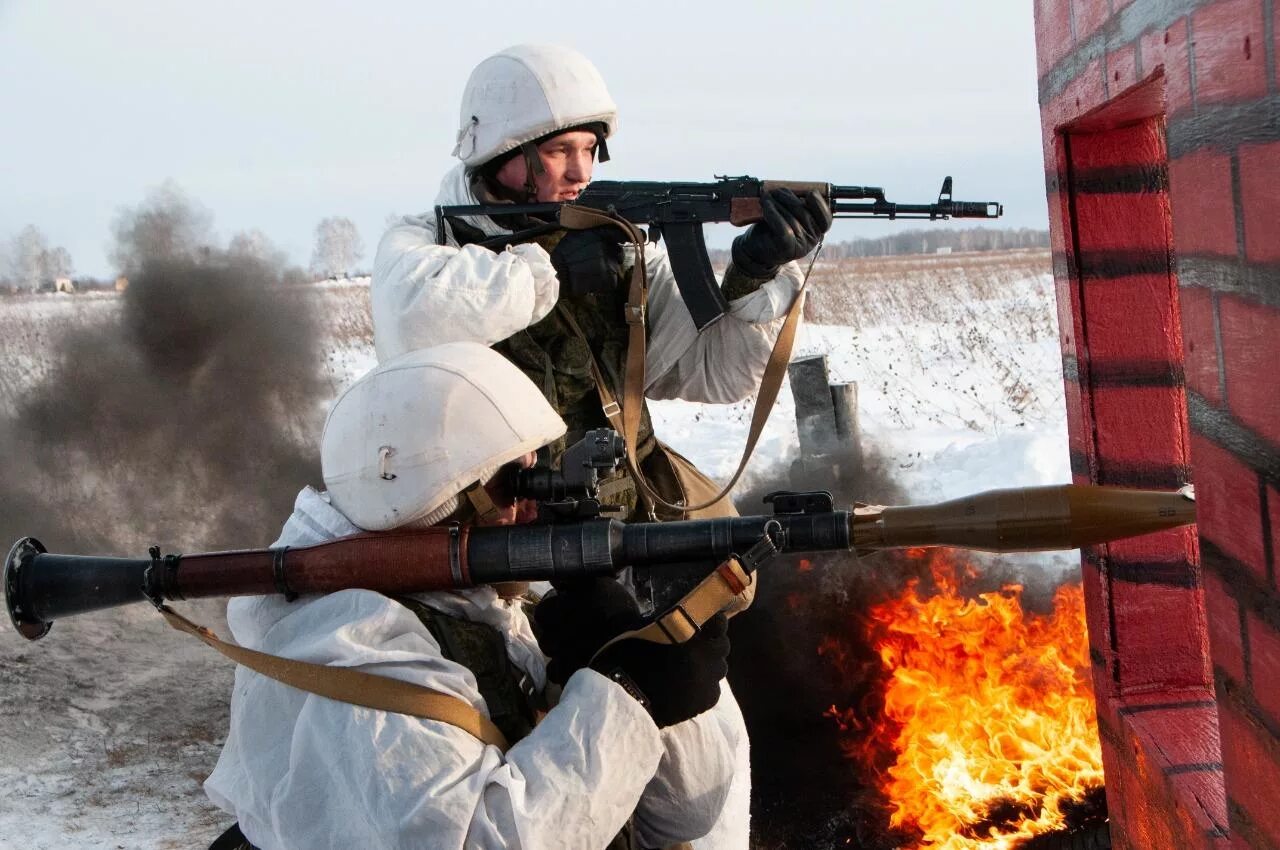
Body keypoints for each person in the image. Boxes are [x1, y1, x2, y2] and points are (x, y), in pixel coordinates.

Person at [204, 342, 746, 850]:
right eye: (513, 485)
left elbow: (676, 817)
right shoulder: (351, 652)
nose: (533, 508)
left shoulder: (476, 610)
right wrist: (628, 697)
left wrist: (643, 668)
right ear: (439, 504)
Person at [371, 43, 832, 523]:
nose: (581, 172)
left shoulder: (617, 245)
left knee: (739, 567)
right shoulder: (427, 242)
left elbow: (717, 372)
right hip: (497, 532)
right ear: (500, 153)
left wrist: (755, 272)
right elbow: (416, 317)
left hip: (624, 513)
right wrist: (553, 272)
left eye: (590, 149)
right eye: (559, 151)